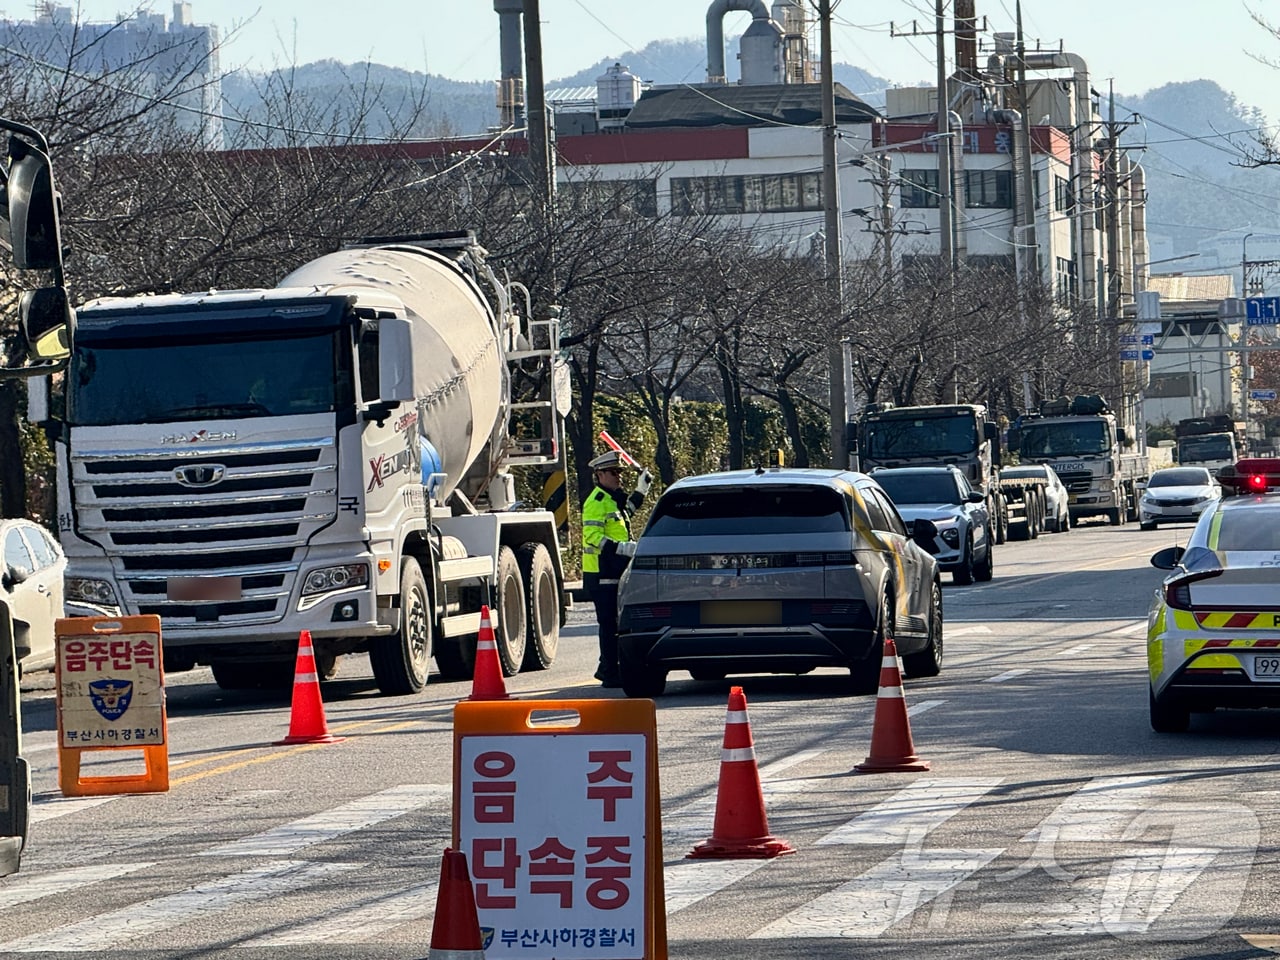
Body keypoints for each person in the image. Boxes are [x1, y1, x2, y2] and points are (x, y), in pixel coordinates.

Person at [581, 450, 652, 687]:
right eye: (613, 472)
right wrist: (622, 548)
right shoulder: (596, 502)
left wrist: (642, 490)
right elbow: (592, 536)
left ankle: (609, 669)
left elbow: (627, 513)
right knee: (609, 624)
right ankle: (609, 672)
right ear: (600, 475)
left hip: (614, 571)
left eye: (620, 472)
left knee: (615, 624)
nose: (618, 476)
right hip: (601, 574)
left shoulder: (612, 499)